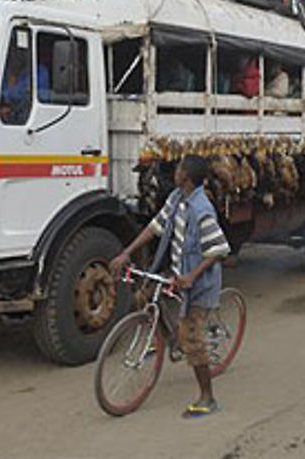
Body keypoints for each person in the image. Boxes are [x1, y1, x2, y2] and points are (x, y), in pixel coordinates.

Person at [109, 155, 232, 419]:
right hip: (178, 272)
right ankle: (164, 339)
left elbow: (219, 249)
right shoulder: (177, 198)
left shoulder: (202, 209)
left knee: (192, 340)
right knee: (145, 295)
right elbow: (155, 227)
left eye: (178, 169)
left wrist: (190, 276)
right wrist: (126, 253)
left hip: (199, 283)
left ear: (186, 177)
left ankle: (207, 398)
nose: (174, 172)